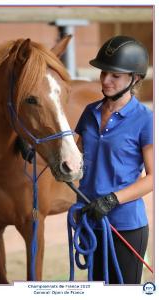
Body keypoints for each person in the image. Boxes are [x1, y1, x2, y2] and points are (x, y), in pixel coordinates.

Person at [75, 35, 153, 284]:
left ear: (135, 78)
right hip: (91, 221)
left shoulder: (145, 119)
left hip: (125, 226)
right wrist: (42, 151)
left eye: (115, 75)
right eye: (103, 73)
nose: (106, 80)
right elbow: (75, 160)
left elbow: (153, 178)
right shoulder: (90, 112)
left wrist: (112, 200)